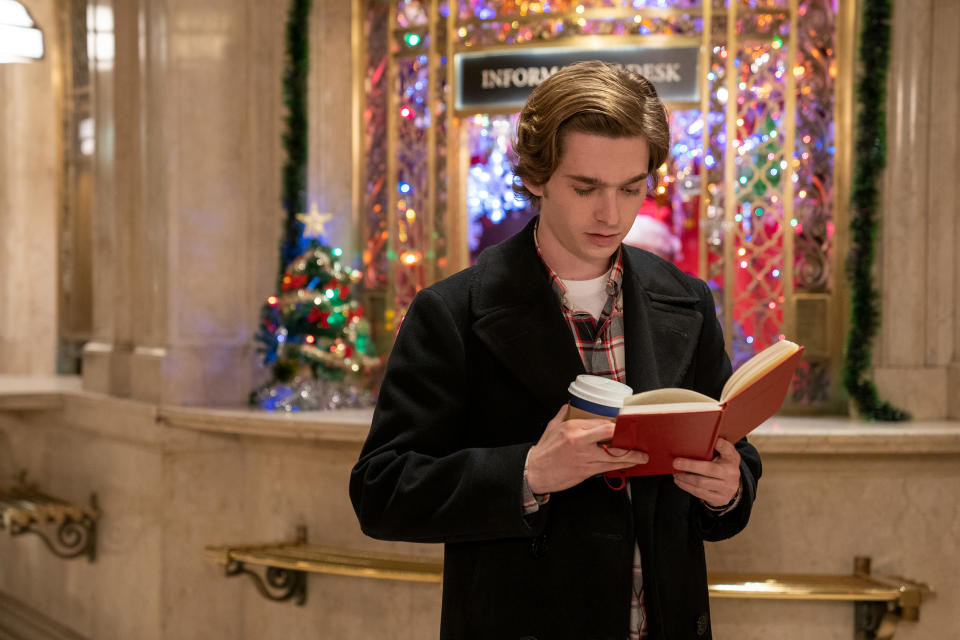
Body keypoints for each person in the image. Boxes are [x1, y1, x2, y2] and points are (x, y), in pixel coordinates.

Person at [350, 61, 761, 640]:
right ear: (538, 175)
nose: (611, 214)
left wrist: (728, 489)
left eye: (631, 188)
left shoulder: (687, 301)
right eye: (586, 187)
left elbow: (734, 455)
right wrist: (529, 472)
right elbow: (381, 491)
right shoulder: (452, 312)